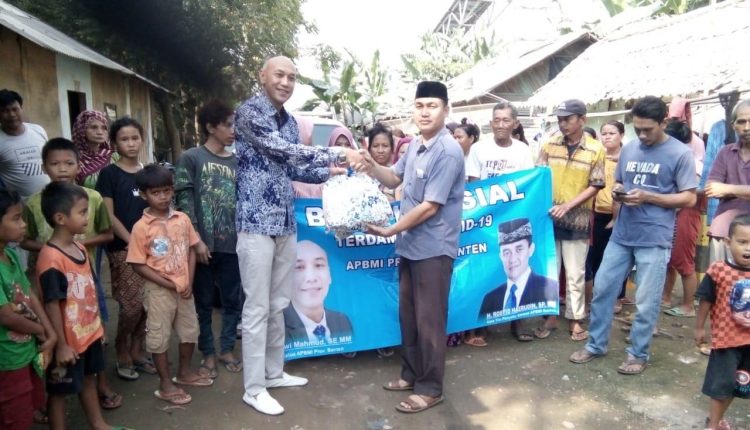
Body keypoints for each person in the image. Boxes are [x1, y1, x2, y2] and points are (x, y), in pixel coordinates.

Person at [233, 55, 362, 416]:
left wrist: (334, 172)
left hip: (285, 223)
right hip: (255, 223)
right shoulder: (248, 113)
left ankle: (273, 373)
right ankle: (254, 388)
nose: (286, 83)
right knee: (257, 307)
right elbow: (282, 149)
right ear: (262, 76)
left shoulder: (290, 121)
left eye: (292, 77)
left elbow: (293, 166)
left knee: (278, 303)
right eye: (280, 75)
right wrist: (337, 152)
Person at [570, 96, 697, 375]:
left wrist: (649, 197)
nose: (642, 135)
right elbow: (620, 181)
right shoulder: (629, 149)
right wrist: (619, 191)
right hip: (622, 233)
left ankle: (638, 354)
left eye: (648, 129)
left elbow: (689, 198)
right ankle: (596, 344)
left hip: (654, 238)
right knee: (603, 290)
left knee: (646, 300)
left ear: (664, 122)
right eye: (637, 129)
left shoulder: (680, 154)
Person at [360, 81, 465, 414]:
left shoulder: (447, 151)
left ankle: (431, 388)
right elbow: (393, 178)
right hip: (410, 246)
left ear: (446, 109)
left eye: (432, 105)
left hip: (434, 249)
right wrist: (369, 164)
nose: (424, 112)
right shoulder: (416, 145)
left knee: (429, 321)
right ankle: (410, 374)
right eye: (419, 105)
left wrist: (391, 229)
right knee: (409, 316)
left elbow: (431, 206)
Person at [20, 138, 123, 411]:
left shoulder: (92, 199)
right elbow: (24, 239)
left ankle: (102, 389)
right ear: (44, 167)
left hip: (84, 281)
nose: (62, 169)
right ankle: (47, 400)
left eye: (69, 163)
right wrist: (53, 249)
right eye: (55, 164)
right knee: (56, 356)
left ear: (79, 165)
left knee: (93, 346)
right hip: (52, 284)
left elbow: (107, 234)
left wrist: (73, 245)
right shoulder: (34, 204)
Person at [37, 182, 120, 429]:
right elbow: (51, 304)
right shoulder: (51, 258)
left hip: (88, 334)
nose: (87, 217)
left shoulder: (79, 247)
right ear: (60, 218)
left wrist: (97, 326)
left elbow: (89, 292)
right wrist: (61, 345)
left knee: (89, 379)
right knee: (59, 392)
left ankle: (98, 423)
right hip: (68, 342)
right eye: (82, 212)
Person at [127, 164, 212, 406]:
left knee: (189, 331)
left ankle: (184, 372)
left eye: (167, 190)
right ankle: (165, 383)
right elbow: (137, 264)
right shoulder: (141, 228)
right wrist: (167, 283)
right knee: (159, 336)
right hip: (158, 291)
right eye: (156, 193)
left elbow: (192, 249)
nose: (163, 197)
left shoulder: (182, 219)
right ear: (144, 194)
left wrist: (188, 280)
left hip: (184, 288)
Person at [175, 100, 243, 377]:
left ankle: (226, 348)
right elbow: (184, 201)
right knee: (202, 302)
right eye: (228, 125)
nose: (233, 130)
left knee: (232, 300)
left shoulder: (238, 161)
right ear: (210, 127)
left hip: (233, 245)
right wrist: (196, 241)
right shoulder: (191, 158)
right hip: (200, 245)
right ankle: (208, 354)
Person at [466, 100, 535, 343]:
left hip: (515, 217)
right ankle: (483, 322)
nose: (501, 125)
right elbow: (473, 186)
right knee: (486, 267)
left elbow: (528, 183)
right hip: (486, 219)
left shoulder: (522, 150)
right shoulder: (478, 149)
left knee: (518, 267)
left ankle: (518, 320)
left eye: (506, 120)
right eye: (497, 120)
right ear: (491, 123)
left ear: (515, 124)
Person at [537, 99, 606, 341]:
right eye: (560, 120)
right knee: (550, 270)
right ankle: (549, 315)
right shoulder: (549, 145)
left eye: (568, 119)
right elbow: (538, 176)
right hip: (549, 219)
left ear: (582, 119)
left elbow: (596, 185)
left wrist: (567, 205)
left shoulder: (595, 149)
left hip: (578, 220)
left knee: (575, 272)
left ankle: (576, 318)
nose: (563, 124)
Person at [95, 117, 151, 381]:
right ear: (114, 143)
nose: (130, 143)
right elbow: (108, 214)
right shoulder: (109, 174)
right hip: (122, 248)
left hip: (153, 249)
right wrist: (131, 241)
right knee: (131, 305)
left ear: (142, 139)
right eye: (124, 139)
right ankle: (121, 346)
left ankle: (137, 349)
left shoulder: (148, 173)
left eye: (135, 138)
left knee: (149, 302)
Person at [0, 189, 56, 430]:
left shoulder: (10, 255)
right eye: (16, 218)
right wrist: (41, 331)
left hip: (25, 350)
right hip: (8, 358)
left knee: (27, 404)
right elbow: (5, 316)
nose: (23, 225)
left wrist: (49, 332)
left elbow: (29, 294)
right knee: (15, 415)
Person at [694, 214, 750, 430]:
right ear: (728, 242)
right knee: (721, 385)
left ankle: (715, 419)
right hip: (726, 341)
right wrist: (699, 328)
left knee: (739, 383)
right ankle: (714, 425)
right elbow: (706, 300)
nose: (748, 248)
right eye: (742, 241)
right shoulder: (718, 270)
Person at [662, 97, 706, 318]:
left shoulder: (690, 160)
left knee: (683, 260)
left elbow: (698, 189)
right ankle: (665, 297)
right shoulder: (678, 157)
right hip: (675, 212)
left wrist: (676, 196)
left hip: (687, 214)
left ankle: (688, 305)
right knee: (669, 260)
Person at [585, 121, 627, 314]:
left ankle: (618, 296)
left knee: (619, 257)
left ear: (621, 135)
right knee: (595, 256)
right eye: (604, 133)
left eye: (612, 133)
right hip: (597, 213)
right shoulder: (597, 156)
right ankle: (597, 295)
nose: (607, 137)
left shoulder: (628, 157)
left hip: (622, 214)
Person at [479, 218, 558, 316]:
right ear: (500, 256)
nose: (512, 259)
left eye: (519, 250)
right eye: (506, 252)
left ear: (531, 249)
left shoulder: (549, 288)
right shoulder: (489, 299)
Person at [705, 99, 750, 264]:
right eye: (741, 122)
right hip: (724, 231)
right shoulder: (725, 152)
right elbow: (711, 188)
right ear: (733, 126)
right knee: (721, 277)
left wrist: (728, 189)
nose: (747, 127)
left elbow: (720, 188)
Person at [283, 240, 352, 344]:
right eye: (299, 267)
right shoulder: (279, 324)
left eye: (319, 265)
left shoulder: (342, 321)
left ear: (329, 275)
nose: (311, 278)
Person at [0, 89, 50, 199]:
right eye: (5, 111)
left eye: (15, 109)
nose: (12, 114)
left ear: (21, 109)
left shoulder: (38, 130)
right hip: (21, 205)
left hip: (50, 199)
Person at [72, 110, 116, 189]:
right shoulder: (73, 160)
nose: (100, 132)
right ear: (81, 130)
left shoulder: (114, 156)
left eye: (104, 128)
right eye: (94, 127)